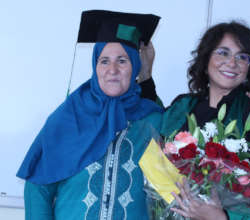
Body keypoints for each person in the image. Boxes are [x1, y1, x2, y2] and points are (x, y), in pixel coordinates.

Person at [16, 10, 164, 220]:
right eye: (104, 61)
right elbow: (37, 188)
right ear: (95, 66)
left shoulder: (151, 120)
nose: (112, 69)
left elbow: (168, 188)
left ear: (135, 66)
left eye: (122, 60)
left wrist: (147, 76)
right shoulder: (69, 117)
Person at [141, 21, 250, 220]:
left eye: (242, 57)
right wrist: (145, 77)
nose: (232, 63)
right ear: (206, 58)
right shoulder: (182, 107)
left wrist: (223, 217)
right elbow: (151, 130)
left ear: (249, 67)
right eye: (223, 52)